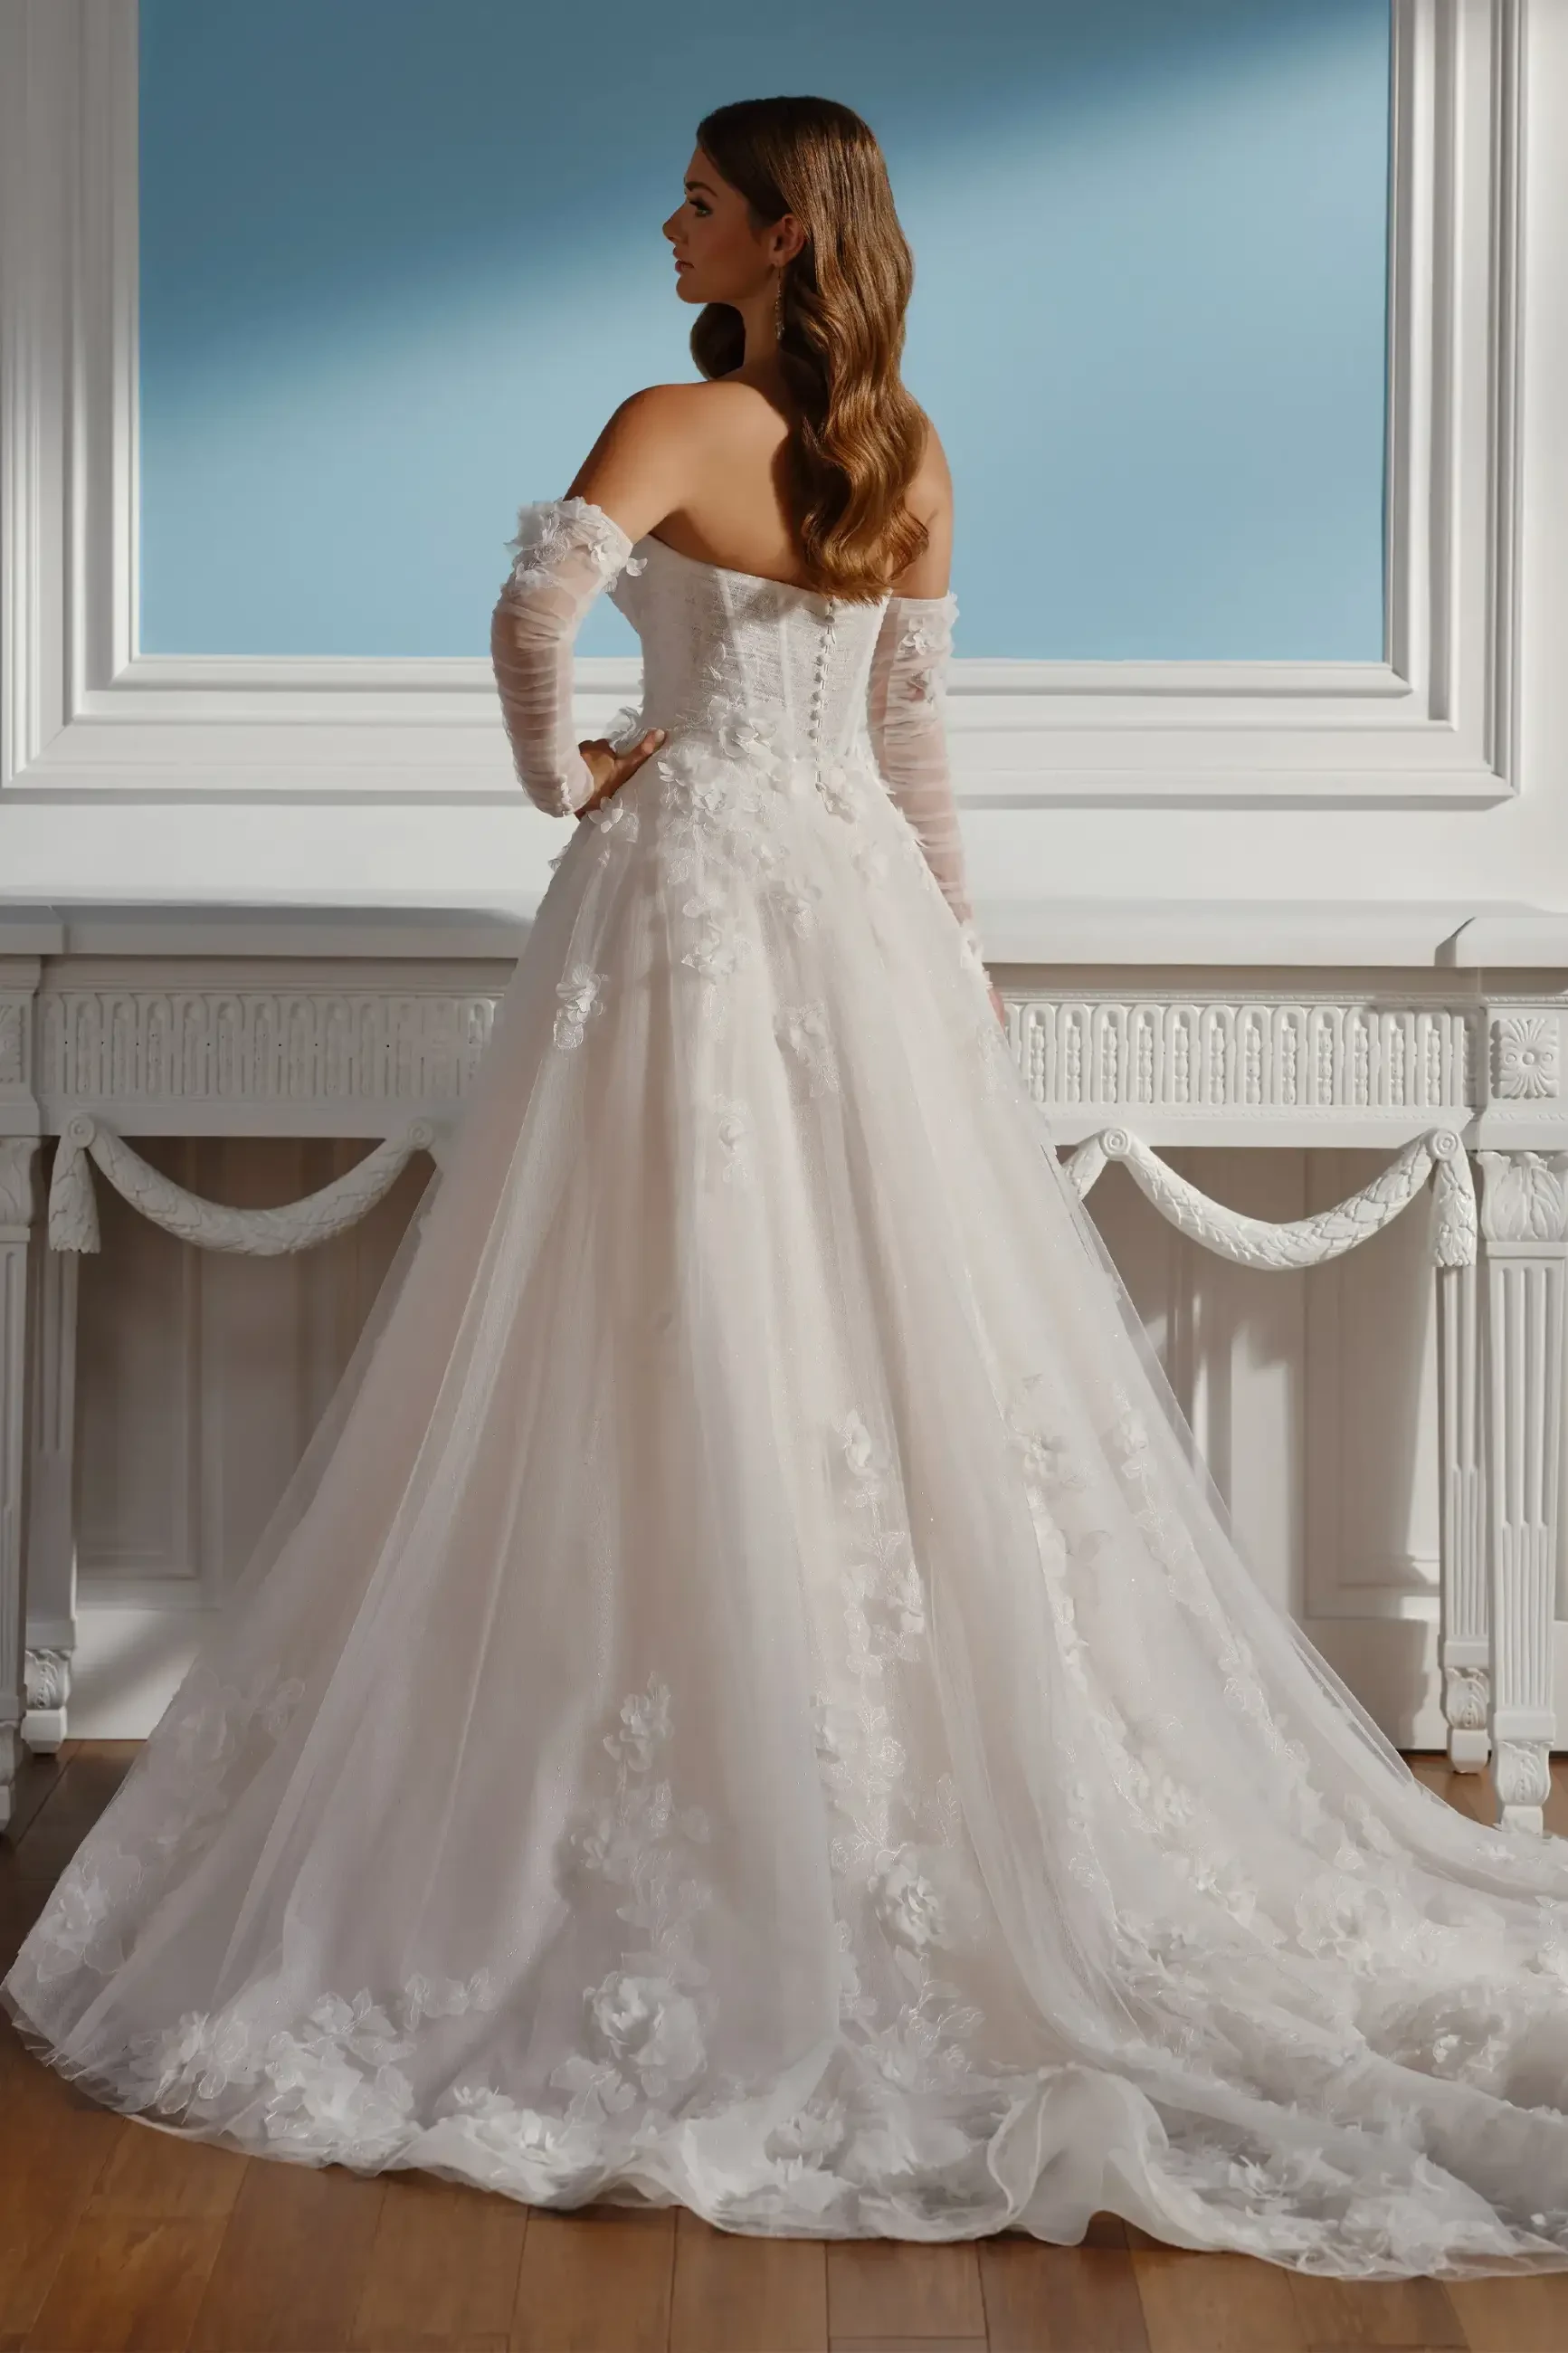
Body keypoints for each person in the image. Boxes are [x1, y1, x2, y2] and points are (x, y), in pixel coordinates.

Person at [4, 95, 1567, 2275]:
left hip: (682, 912)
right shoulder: (907, 450)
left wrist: (573, 778)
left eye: (697, 199)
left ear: (769, 233)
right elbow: (917, 748)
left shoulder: (665, 412)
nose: (668, 220)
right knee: (862, 1339)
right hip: (854, 920)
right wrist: (955, 965)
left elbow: (528, 611)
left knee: (645, 1323)